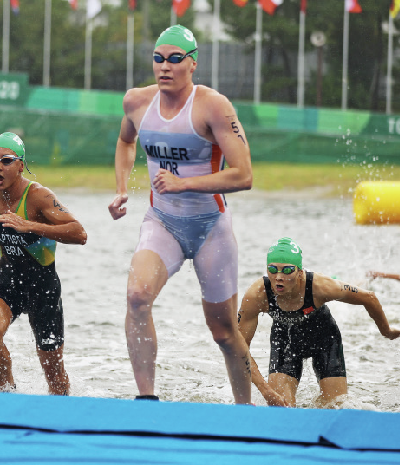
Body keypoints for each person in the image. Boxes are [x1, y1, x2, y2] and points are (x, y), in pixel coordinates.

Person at [107, 24, 253, 403]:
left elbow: (244, 175)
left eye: (175, 59)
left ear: (193, 65)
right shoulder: (136, 102)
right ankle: (146, 400)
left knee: (223, 331)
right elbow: (126, 141)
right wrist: (123, 187)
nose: (164, 66)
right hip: (162, 223)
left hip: (210, 227)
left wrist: (186, 184)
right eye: (158, 58)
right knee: (137, 296)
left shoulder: (213, 106)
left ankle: (246, 410)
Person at [0, 132, 87, 395]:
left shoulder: (38, 197)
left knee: (53, 371)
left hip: (43, 286)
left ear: (20, 165)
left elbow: (79, 233)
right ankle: (7, 394)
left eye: (6, 161)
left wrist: (30, 225)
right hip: (8, 279)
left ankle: (60, 413)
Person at [238, 237, 400, 408]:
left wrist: (386, 331)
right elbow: (239, 347)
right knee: (281, 410)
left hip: (324, 338)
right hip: (286, 341)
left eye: (287, 270)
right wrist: (267, 392)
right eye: (272, 269)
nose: (278, 277)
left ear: (300, 272)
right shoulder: (258, 295)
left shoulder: (320, 286)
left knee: (334, 407)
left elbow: (369, 298)